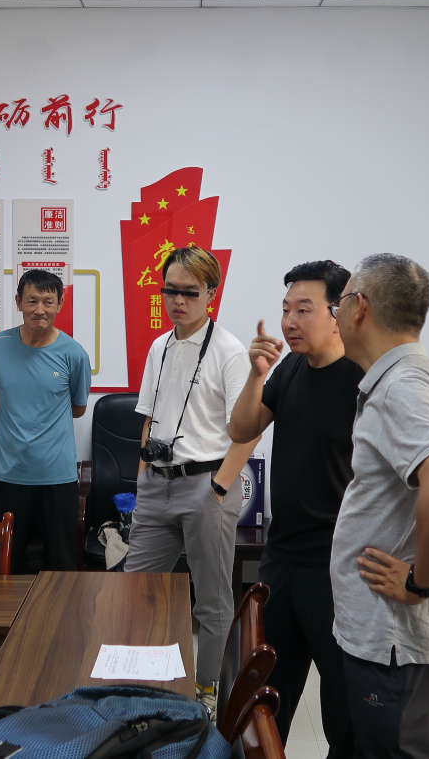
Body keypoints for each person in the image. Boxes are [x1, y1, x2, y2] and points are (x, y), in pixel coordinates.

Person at [330, 254, 429, 759]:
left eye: (339, 301)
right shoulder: (407, 377)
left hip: (393, 638)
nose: (335, 313)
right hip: (382, 634)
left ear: (360, 307)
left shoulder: (403, 387)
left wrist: (421, 583)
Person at [229, 260, 363, 758]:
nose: (289, 321)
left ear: (339, 313)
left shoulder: (362, 378)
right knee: (269, 695)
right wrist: (256, 374)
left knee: (343, 705)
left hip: (337, 566)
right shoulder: (289, 368)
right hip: (281, 556)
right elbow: (241, 429)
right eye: (286, 309)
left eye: (303, 309)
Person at [124, 244, 259, 715]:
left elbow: (248, 430)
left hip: (207, 485)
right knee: (136, 590)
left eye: (189, 292)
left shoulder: (229, 351)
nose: (178, 301)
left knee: (212, 601)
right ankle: (140, 682)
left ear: (210, 294)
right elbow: (149, 417)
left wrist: (219, 488)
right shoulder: (159, 346)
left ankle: (207, 693)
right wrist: (143, 477)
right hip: (156, 485)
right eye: (170, 291)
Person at [0, 268, 91, 574]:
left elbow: (78, 408)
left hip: (56, 474)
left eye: (47, 301)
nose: (39, 309)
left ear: (59, 305)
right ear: (18, 302)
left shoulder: (74, 354)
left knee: (60, 565)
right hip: (7, 471)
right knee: (4, 563)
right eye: (31, 300)